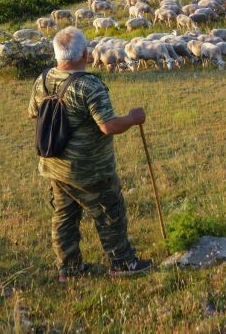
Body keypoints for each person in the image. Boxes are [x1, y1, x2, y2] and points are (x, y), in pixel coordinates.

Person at [27, 26, 153, 281]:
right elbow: (108, 126)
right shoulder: (88, 85)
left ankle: (69, 269)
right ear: (85, 54)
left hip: (55, 165)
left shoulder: (43, 80)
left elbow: (33, 113)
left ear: (57, 54)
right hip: (89, 168)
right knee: (109, 213)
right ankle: (123, 263)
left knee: (64, 216)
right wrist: (133, 118)